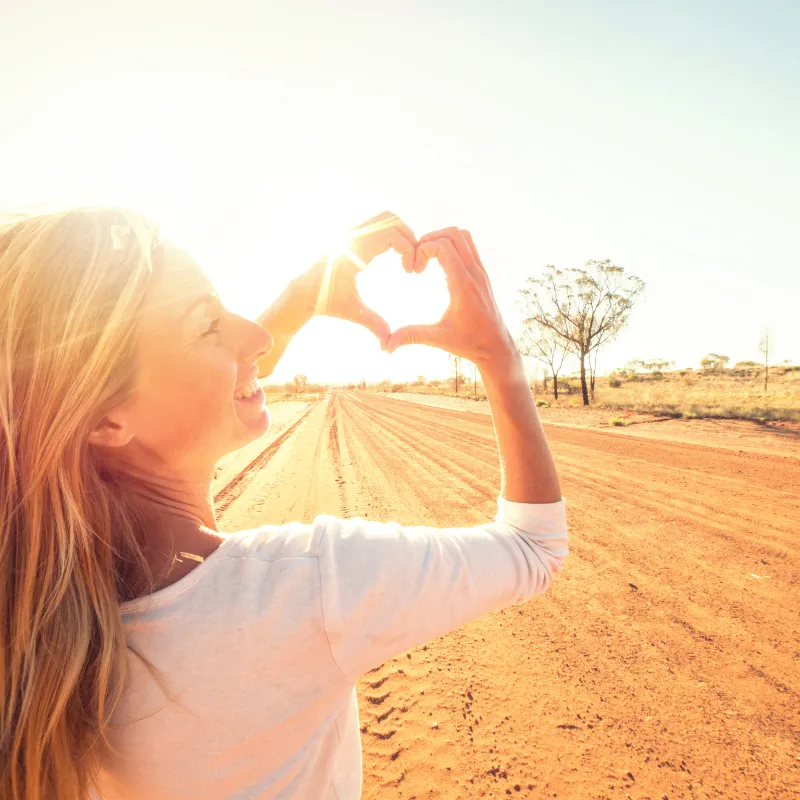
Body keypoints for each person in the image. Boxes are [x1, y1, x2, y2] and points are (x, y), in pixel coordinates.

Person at [0, 207, 567, 799]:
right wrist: (500, 357)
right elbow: (536, 546)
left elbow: (176, 385)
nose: (259, 337)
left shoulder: (39, 620)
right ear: (105, 419)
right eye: (208, 325)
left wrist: (303, 298)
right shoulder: (309, 588)